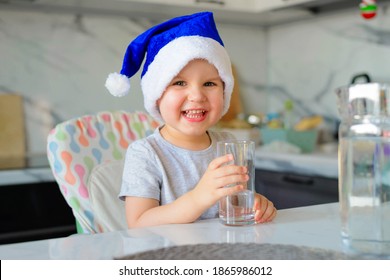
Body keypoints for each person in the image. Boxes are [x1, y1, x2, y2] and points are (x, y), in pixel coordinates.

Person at [105, 11, 277, 228]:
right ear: (156, 96)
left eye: (209, 84)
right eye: (179, 83)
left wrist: (253, 204)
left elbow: (234, 202)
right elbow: (138, 223)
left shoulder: (229, 144)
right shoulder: (145, 153)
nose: (197, 96)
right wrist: (198, 198)